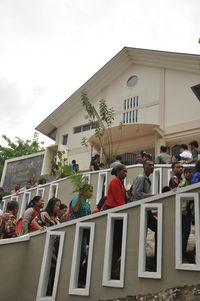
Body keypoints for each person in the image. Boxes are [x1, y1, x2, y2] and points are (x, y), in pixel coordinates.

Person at [132, 160, 157, 270]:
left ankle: (153, 258)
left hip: (147, 211)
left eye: (153, 165)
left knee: (158, 228)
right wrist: (152, 196)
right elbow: (136, 193)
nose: (152, 167)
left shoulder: (147, 179)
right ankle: (141, 263)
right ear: (144, 167)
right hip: (141, 211)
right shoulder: (141, 178)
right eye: (149, 165)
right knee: (144, 233)